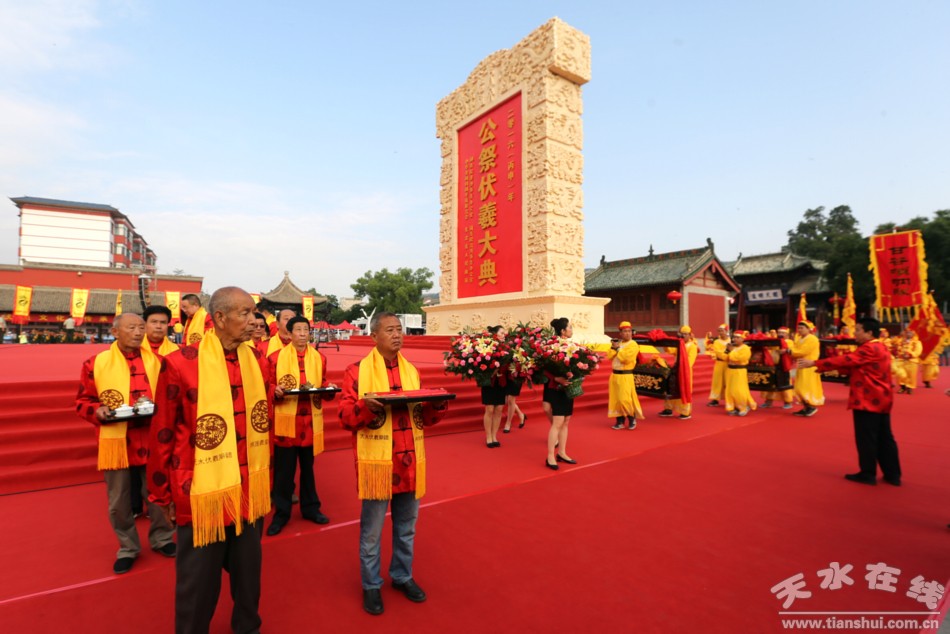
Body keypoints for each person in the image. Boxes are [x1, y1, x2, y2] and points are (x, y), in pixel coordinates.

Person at [148, 287, 272, 633]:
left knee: (248, 575)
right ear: (219, 318)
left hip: (248, 487)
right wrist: (161, 496)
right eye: (245, 313)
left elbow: (265, 425)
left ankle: (247, 626)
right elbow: (163, 433)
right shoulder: (180, 363)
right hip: (201, 489)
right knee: (198, 580)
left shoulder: (260, 362)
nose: (253, 321)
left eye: (253, 313)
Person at [339, 312, 448, 616]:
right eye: (390, 330)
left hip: (409, 459)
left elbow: (422, 419)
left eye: (399, 329)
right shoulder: (356, 371)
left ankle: (402, 576)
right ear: (374, 337)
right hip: (378, 463)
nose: (397, 335)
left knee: (406, 528)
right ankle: (371, 583)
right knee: (371, 530)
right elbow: (345, 416)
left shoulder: (411, 371)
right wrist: (365, 406)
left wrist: (437, 406)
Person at [75, 313, 176, 575]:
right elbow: (83, 401)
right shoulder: (95, 364)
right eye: (131, 328)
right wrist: (97, 410)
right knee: (118, 500)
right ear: (115, 331)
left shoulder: (159, 362)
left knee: (158, 493)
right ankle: (128, 547)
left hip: (154, 439)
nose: (138, 332)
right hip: (117, 442)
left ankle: (162, 538)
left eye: (141, 328)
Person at [799, 317, 901, 486]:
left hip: (867, 399)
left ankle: (867, 473)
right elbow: (855, 365)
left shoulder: (869, 348)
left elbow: (848, 360)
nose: (855, 333)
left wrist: (815, 363)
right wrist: (824, 367)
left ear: (869, 332)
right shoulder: (881, 346)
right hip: (882, 398)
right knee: (885, 437)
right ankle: (893, 474)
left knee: (866, 438)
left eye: (858, 330)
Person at [267, 315, 336, 536]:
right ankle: (281, 514)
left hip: (309, 423)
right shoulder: (275, 358)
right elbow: (267, 384)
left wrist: (329, 387)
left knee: (308, 469)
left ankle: (311, 508)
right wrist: (273, 390)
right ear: (289, 333)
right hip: (286, 423)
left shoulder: (319, 358)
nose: (304, 333)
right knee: (284, 473)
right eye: (298, 329)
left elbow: (322, 383)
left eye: (306, 329)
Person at [542, 317, 581, 469]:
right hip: (555, 386)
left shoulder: (573, 346)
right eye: (569, 327)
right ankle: (550, 455)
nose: (572, 330)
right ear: (563, 331)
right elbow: (543, 367)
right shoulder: (551, 346)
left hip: (567, 387)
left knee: (566, 421)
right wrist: (557, 378)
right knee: (558, 422)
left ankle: (562, 452)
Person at [607, 321, 644, 430]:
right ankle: (620, 421)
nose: (627, 334)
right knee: (616, 399)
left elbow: (626, 359)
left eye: (629, 331)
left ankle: (632, 418)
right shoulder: (619, 343)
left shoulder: (633, 344)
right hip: (614, 375)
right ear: (620, 333)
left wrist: (618, 349)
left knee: (625, 399)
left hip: (626, 376)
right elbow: (609, 356)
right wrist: (614, 348)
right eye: (625, 331)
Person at [787, 320, 824, 417]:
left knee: (804, 387)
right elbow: (796, 351)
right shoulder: (800, 339)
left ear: (808, 329)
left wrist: (789, 351)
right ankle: (806, 407)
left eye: (802, 328)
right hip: (801, 365)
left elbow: (802, 351)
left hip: (809, 366)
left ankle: (810, 406)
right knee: (799, 388)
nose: (799, 330)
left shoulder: (812, 339)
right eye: (798, 328)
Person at [717, 330, 757, 416]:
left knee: (739, 390)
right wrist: (727, 350)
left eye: (737, 337)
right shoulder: (732, 347)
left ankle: (743, 407)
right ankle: (732, 407)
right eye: (734, 337)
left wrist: (731, 351)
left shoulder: (746, 348)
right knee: (729, 390)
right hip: (730, 371)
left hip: (739, 371)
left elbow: (740, 358)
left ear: (743, 339)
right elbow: (724, 357)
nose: (735, 339)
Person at [663, 325, 698, 420]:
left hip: (685, 371)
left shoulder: (692, 346)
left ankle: (685, 412)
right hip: (676, 369)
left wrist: (683, 368)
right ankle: (668, 409)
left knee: (684, 389)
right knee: (672, 388)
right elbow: (671, 351)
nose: (683, 336)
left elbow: (690, 361)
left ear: (690, 335)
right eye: (682, 334)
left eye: (686, 334)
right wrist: (665, 343)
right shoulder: (679, 344)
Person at [481, 325, 507, 448]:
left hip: (501, 381)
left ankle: (494, 435)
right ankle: (488, 436)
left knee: (499, 409)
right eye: (501, 333)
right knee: (490, 409)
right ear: (495, 334)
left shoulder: (507, 348)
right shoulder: (487, 347)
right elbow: (482, 365)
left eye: (504, 333)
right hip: (489, 381)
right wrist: (492, 371)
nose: (504, 335)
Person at [761, 327, 795, 409]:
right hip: (774, 364)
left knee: (785, 383)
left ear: (787, 334)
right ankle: (768, 401)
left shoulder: (789, 342)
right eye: (779, 332)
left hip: (783, 365)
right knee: (770, 383)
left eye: (782, 333)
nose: (780, 334)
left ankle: (788, 401)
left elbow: (789, 351)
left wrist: (784, 350)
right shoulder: (775, 341)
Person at [706, 324, 730, 406]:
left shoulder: (731, 341)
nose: (720, 332)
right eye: (719, 331)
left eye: (722, 330)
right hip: (719, 363)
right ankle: (715, 399)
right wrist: (727, 353)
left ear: (726, 331)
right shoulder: (716, 342)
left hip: (729, 364)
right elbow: (719, 353)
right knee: (717, 381)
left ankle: (729, 399)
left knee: (728, 382)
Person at [896, 329, 922, 394]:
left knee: (911, 375)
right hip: (901, 360)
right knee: (901, 374)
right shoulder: (900, 341)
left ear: (913, 334)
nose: (908, 334)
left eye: (910, 333)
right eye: (907, 333)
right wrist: (901, 354)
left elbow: (918, 351)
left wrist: (910, 355)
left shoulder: (917, 342)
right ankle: (902, 387)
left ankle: (910, 388)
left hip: (912, 361)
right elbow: (897, 349)